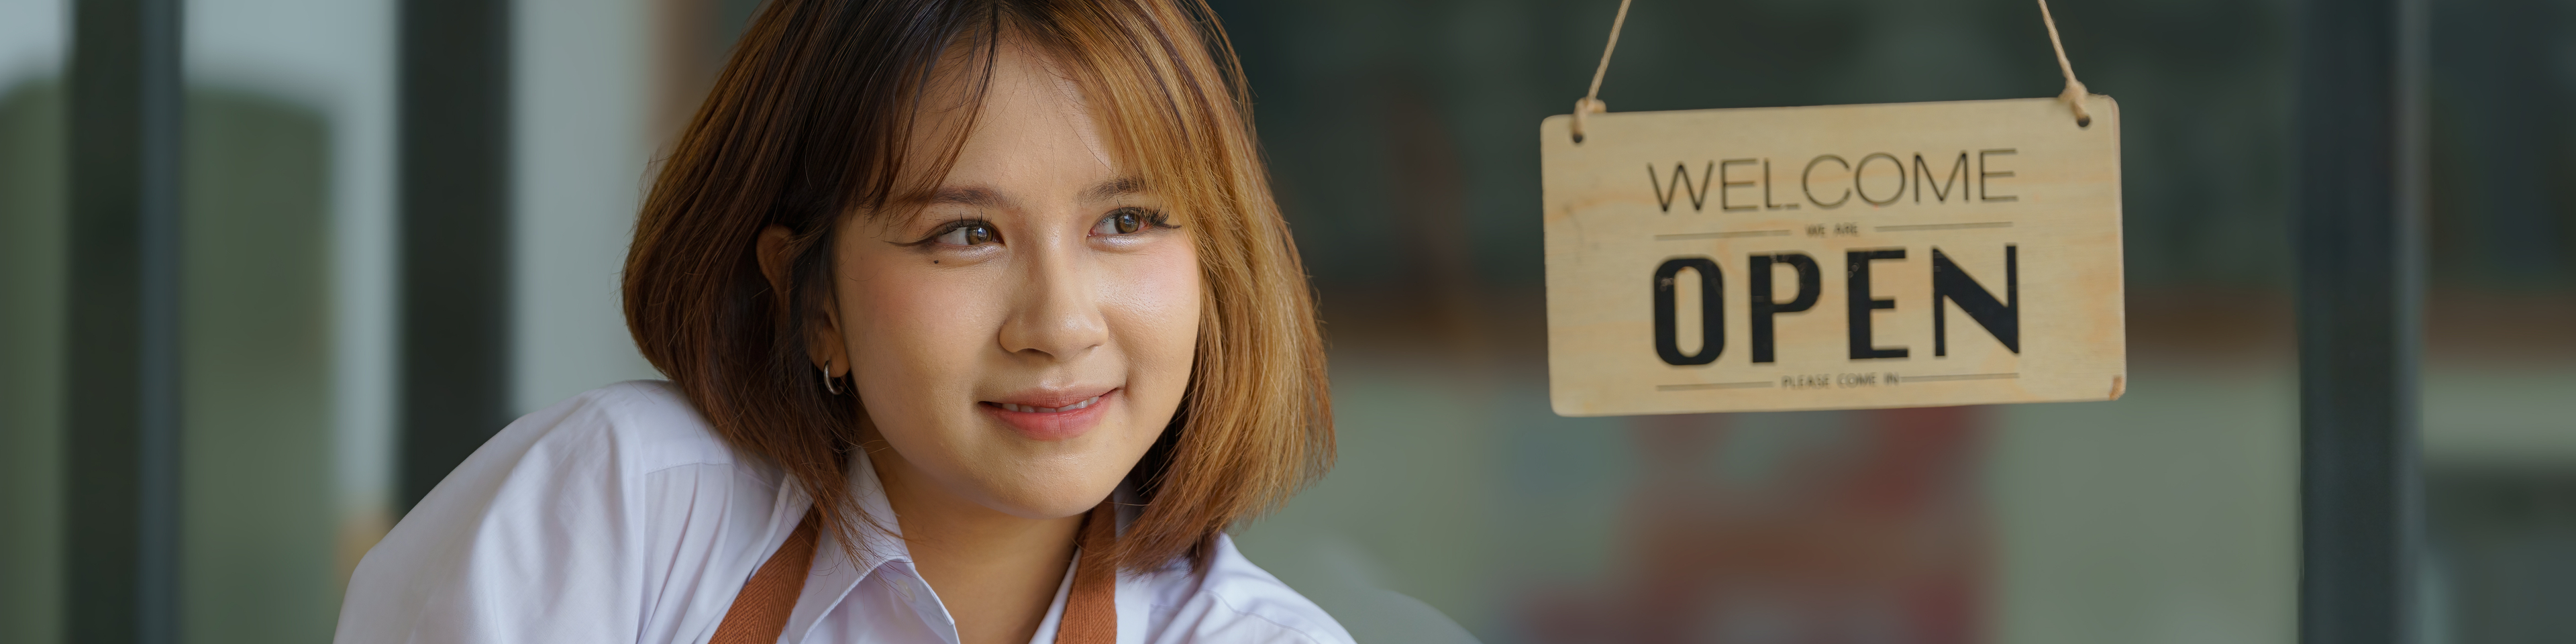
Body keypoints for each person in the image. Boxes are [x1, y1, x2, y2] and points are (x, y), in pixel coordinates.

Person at [332, 1, 1346, 642]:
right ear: (812, 298)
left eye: (1127, 222)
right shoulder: (620, 514)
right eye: (964, 234)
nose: (1060, 323)